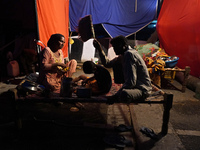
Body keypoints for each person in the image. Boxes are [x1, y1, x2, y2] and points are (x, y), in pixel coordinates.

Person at [93, 35, 152, 103]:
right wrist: (100, 49)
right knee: (117, 65)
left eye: (115, 47)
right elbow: (107, 63)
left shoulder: (129, 54)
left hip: (142, 89)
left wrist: (115, 96)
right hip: (134, 87)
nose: (114, 50)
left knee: (124, 94)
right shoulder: (123, 55)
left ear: (123, 46)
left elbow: (131, 82)